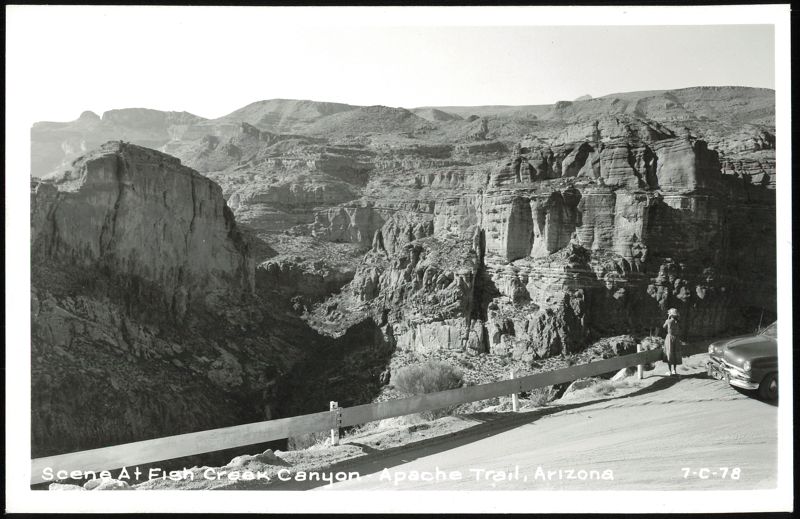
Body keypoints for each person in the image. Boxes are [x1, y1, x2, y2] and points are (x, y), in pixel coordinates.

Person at [663, 308, 682, 375]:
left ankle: (669, 371)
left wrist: (668, 318)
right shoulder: (678, 322)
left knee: (669, 352)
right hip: (676, 338)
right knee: (675, 353)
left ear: (671, 315)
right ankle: (674, 370)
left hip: (669, 338)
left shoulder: (668, 321)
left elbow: (664, 326)